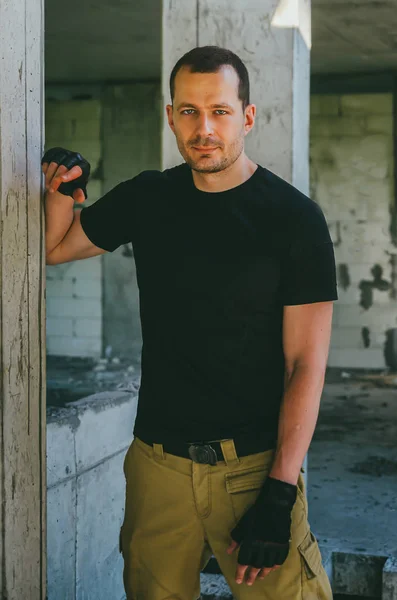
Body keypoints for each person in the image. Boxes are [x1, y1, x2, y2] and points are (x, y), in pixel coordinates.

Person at [42, 46, 337, 600]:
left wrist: (279, 494)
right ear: (171, 114)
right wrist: (61, 186)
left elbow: (305, 365)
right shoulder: (149, 197)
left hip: (254, 468)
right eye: (188, 111)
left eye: (220, 111)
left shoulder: (294, 219)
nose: (203, 128)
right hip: (158, 469)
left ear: (247, 116)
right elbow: (54, 247)